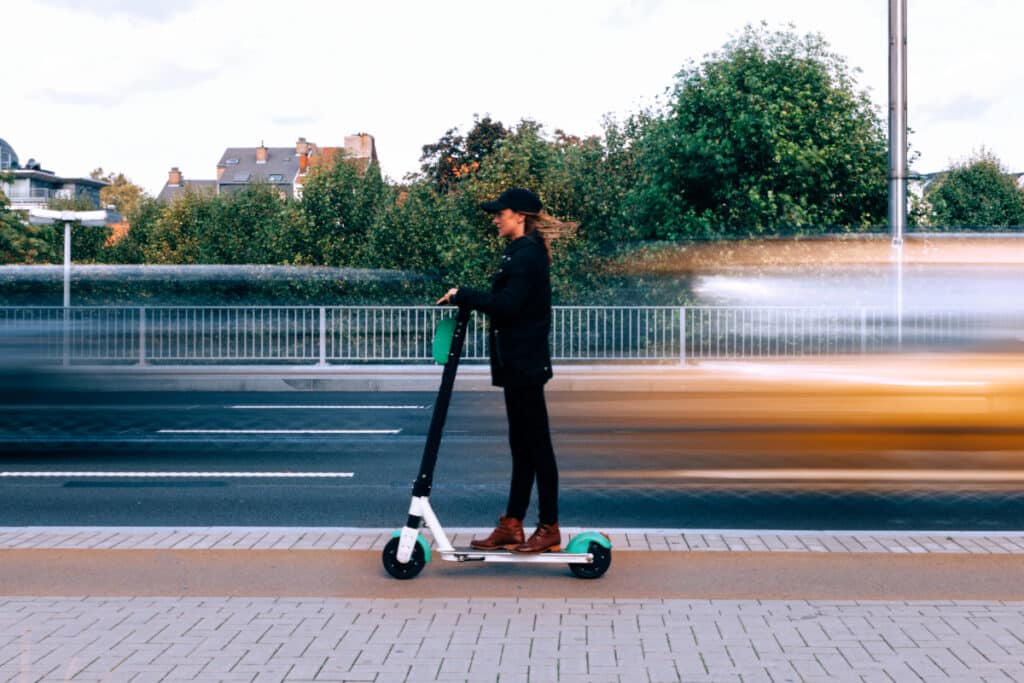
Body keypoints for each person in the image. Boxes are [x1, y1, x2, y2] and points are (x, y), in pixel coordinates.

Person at [436, 188, 567, 553]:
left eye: (500, 213)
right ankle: (512, 523)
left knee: (537, 447)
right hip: (517, 363)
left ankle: (549, 526)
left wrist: (464, 294)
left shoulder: (527, 255)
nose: (495, 218)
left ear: (519, 216)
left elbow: (507, 306)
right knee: (522, 446)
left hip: (524, 363)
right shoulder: (520, 252)